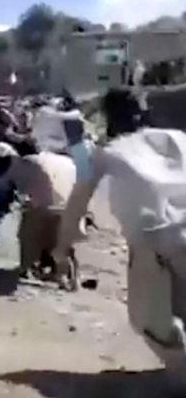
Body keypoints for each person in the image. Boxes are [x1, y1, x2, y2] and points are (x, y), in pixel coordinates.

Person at [55, 88, 186, 391]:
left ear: (107, 118)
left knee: (147, 320)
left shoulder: (107, 152)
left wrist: (63, 249)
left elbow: (77, 200)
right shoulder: (179, 137)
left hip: (156, 242)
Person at [0, 139, 77, 281]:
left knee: (27, 235)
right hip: (70, 200)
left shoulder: (18, 167)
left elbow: (12, 192)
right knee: (59, 239)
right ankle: (64, 274)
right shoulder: (36, 160)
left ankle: (25, 268)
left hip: (49, 204)